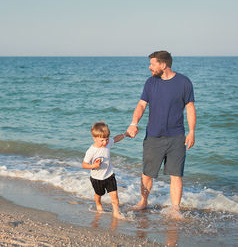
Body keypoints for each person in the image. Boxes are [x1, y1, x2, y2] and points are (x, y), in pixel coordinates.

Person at [127, 51, 196, 218]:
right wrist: (133, 123)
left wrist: (192, 132)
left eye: (153, 64)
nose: (149, 67)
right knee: (147, 173)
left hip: (176, 136)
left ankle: (175, 208)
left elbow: (190, 108)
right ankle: (143, 202)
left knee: (176, 174)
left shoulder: (184, 82)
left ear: (163, 65)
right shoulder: (150, 83)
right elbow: (141, 105)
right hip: (153, 136)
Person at [82, 122, 128, 219]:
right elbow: (84, 165)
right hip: (96, 178)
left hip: (109, 175)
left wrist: (125, 134)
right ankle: (98, 203)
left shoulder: (107, 143)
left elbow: (115, 139)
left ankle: (116, 212)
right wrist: (93, 165)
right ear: (95, 138)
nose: (105, 142)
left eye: (106, 139)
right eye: (102, 140)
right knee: (99, 194)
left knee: (114, 195)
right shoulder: (91, 151)